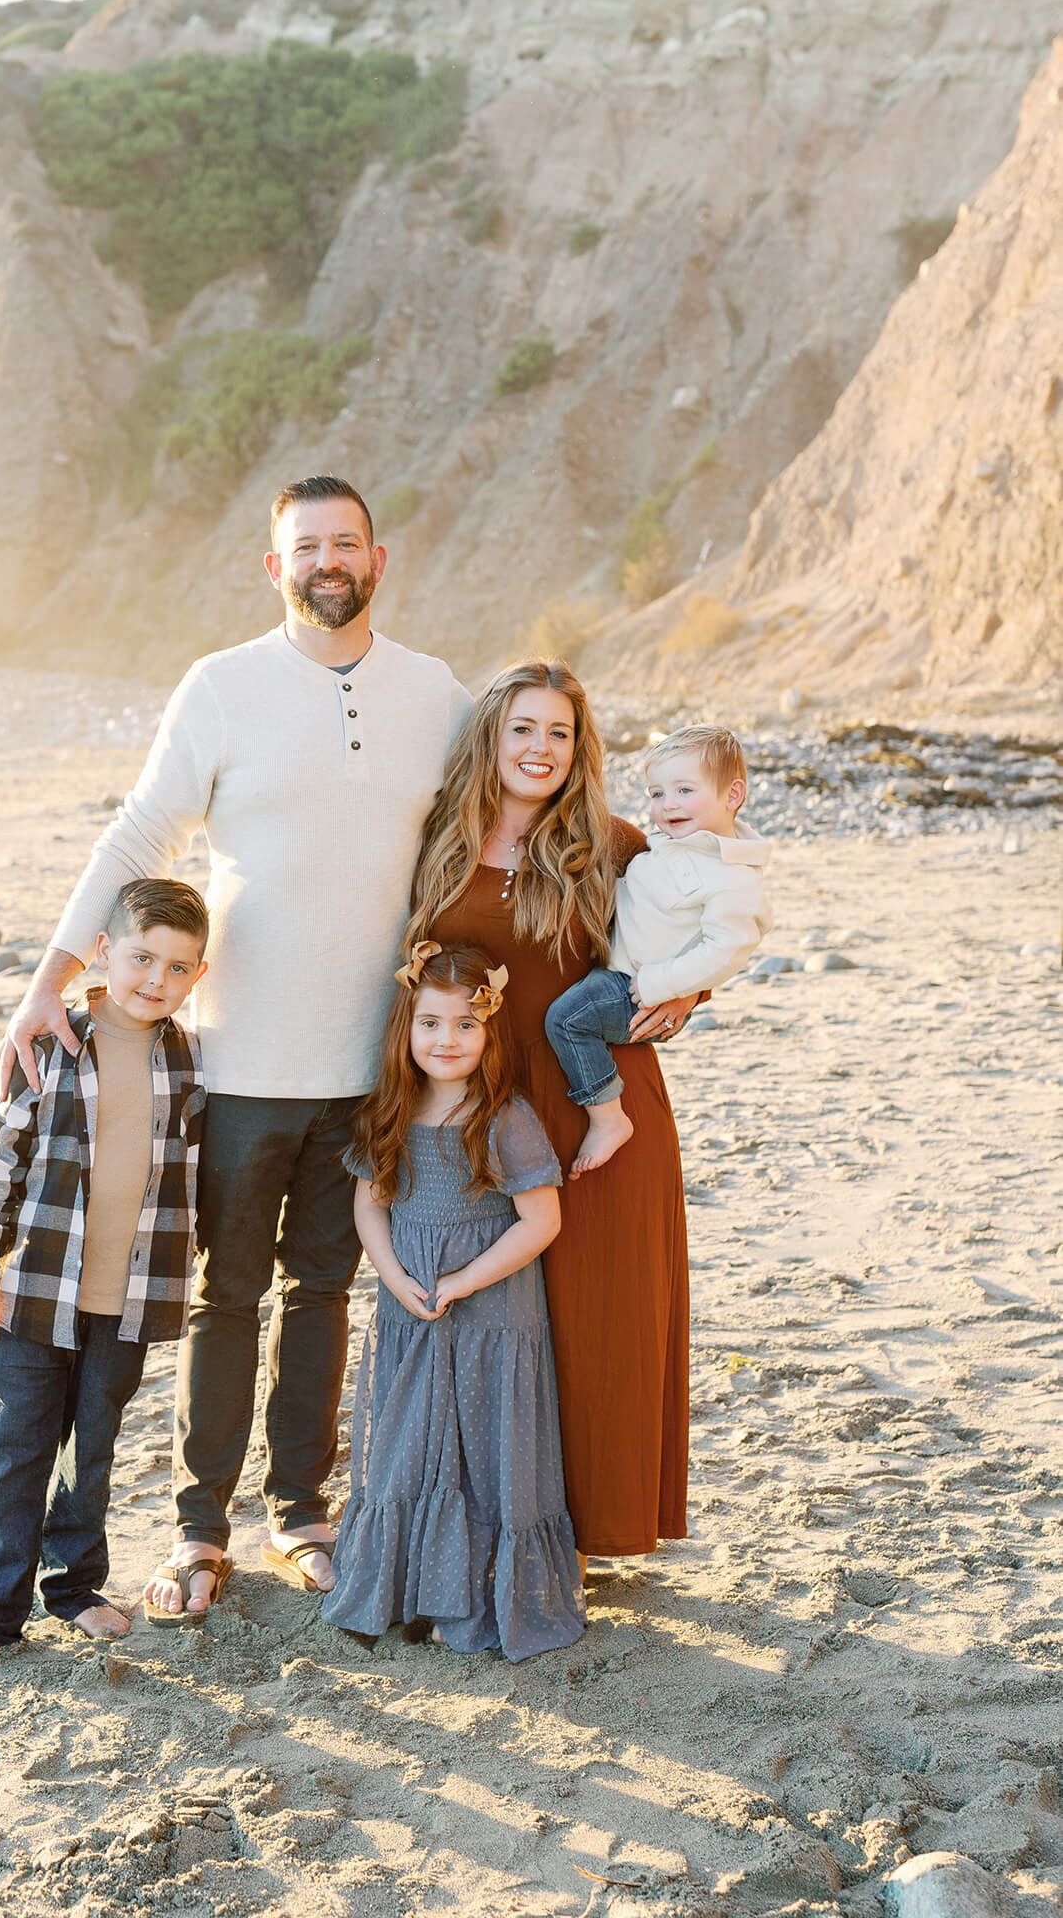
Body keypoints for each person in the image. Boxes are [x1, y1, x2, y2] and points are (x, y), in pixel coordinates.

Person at [0, 475, 471, 1621]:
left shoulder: (438, 693)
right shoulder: (223, 686)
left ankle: (301, 1511)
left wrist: (668, 958)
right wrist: (50, 974)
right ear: (275, 567)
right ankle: (200, 1530)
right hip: (240, 1060)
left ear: (379, 559)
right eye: (305, 546)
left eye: (346, 543)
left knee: (325, 1289)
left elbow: (508, 823)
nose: (327, 561)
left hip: (370, 1063)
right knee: (228, 1295)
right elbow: (141, 828)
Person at [408, 660, 700, 1574]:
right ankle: (512, 1523)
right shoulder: (439, 840)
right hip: (485, 1108)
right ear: (490, 737)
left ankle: (591, 1531)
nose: (540, 749)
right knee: (501, 1320)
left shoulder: (613, 844)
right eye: (523, 729)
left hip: (596, 1101)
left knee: (601, 1313)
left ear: (581, 749)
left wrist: (688, 993)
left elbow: (696, 928)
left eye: (560, 733)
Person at [0, 878, 210, 1667]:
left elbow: (191, 1170)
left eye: (178, 967)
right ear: (102, 953)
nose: (155, 979)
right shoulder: (52, 1040)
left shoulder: (189, 1057)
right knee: (16, 1450)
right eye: (141, 957)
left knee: (90, 1450)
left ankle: (75, 1587)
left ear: (198, 976)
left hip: (126, 1299)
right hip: (32, 1293)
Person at [321, 944, 586, 1661]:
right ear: (406, 1029)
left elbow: (542, 1221)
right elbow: (370, 1205)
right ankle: (406, 1591)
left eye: (466, 1026)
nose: (447, 1040)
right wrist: (393, 1275)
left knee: (482, 1453)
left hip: (491, 1318)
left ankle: (472, 1598)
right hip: (411, 1310)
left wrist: (465, 1281)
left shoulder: (505, 1117)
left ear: (489, 1034)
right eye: (431, 1024)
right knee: (406, 1449)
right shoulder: (391, 1113)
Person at [544, 723, 771, 1175]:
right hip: (626, 974)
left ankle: (608, 1117)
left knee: (567, 1021)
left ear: (733, 794)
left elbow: (726, 951)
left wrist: (661, 985)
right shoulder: (670, 847)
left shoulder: (734, 878)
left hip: (633, 987)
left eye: (685, 790)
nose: (668, 805)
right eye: (656, 793)